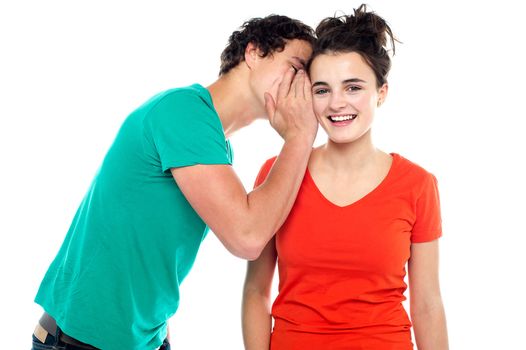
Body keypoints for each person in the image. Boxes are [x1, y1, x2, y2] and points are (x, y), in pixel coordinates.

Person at [32, 15, 318, 350]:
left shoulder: (213, 143)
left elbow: (151, 246)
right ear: (254, 53)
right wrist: (300, 137)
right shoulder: (183, 112)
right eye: (297, 67)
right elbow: (248, 237)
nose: (303, 87)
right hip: (78, 342)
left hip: (143, 341)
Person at [242, 5, 449, 350]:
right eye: (322, 90)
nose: (337, 103)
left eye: (352, 88)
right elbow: (255, 291)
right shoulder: (276, 172)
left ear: (381, 93)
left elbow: (427, 305)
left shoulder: (418, 185)